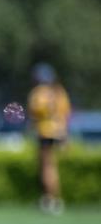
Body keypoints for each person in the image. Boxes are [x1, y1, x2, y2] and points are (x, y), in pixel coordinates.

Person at [27, 63, 71, 214]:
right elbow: (65, 114)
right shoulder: (59, 92)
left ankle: (49, 199)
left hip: (44, 131)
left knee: (46, 167)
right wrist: (65, 135)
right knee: (52, 166)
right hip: (59, 132)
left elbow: (34, 114)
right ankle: (54, 198)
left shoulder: (38, 93)